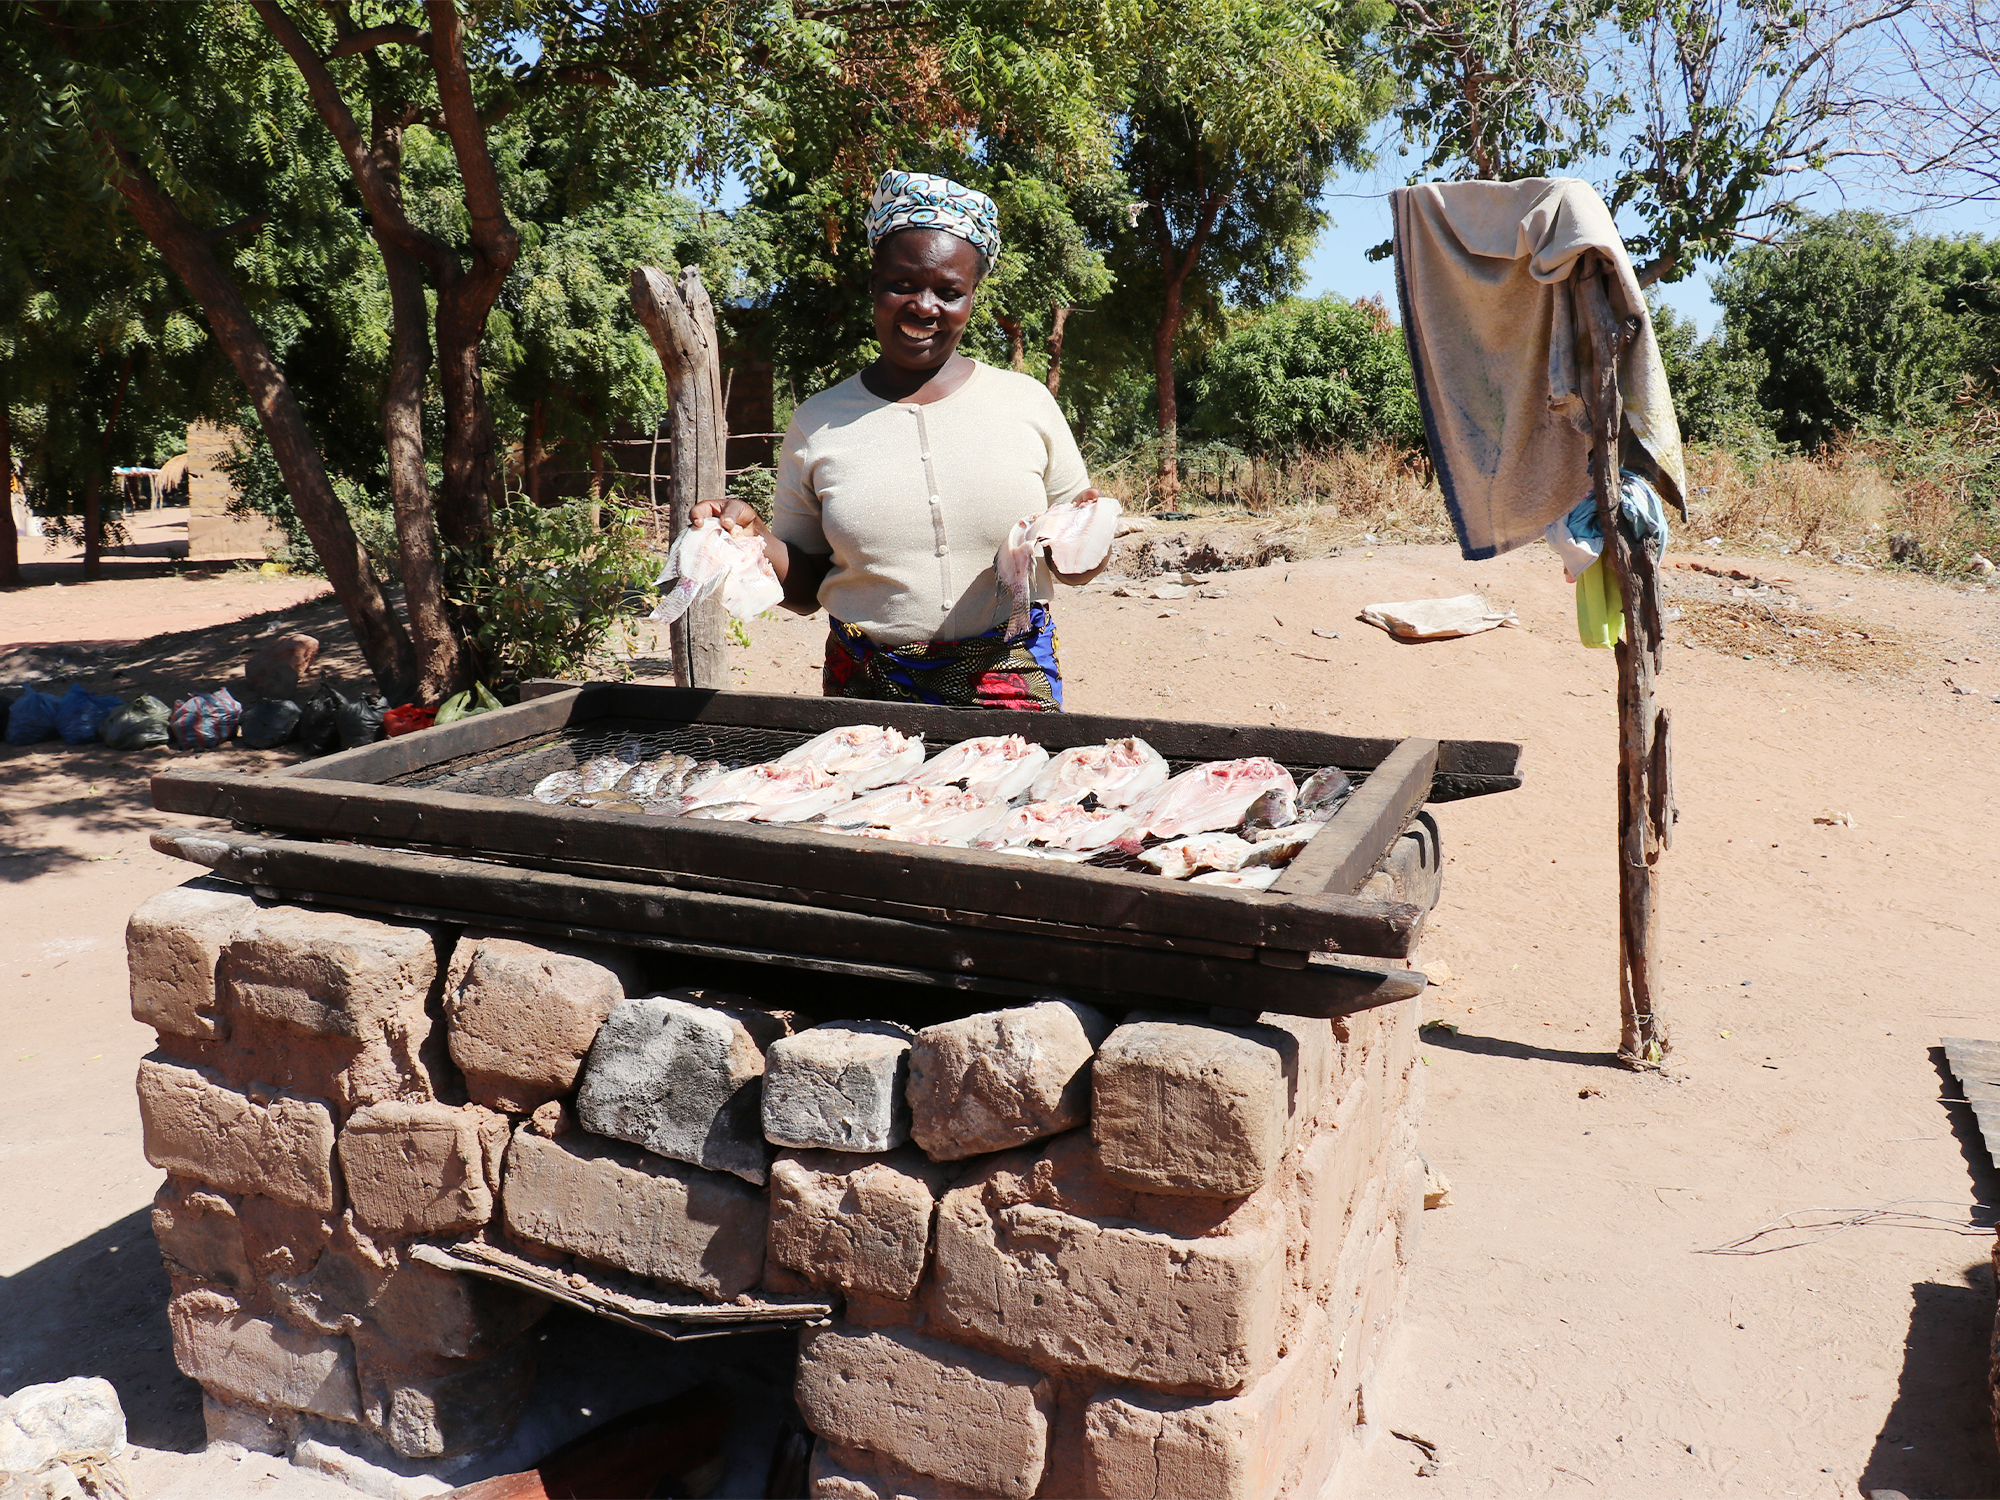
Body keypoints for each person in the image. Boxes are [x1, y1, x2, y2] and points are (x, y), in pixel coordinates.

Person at [690, 169, 1107, 711]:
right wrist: (754, 536)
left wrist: (1083, 550)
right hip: (867, 689)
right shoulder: (819, 422)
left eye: (949, 292)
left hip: (1009, 681)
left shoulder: (1027, 404)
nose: (924, 307)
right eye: (903, 285)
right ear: (873, 284)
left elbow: (1079, 545)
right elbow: (805, 589)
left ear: (972, 297)